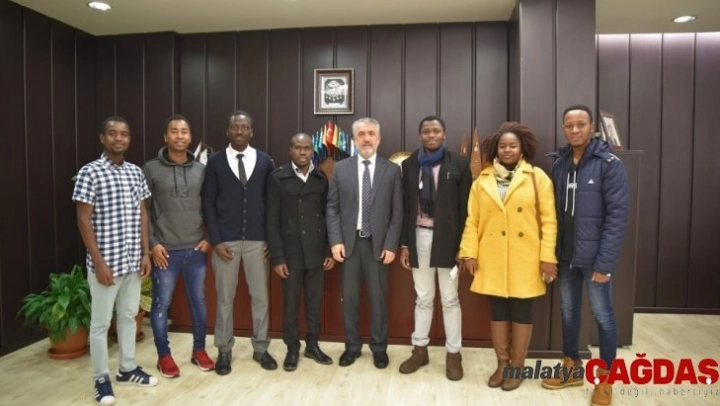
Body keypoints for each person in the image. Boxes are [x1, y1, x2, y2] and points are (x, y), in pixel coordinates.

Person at [460, 121, 558, 391]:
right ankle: (502, 364)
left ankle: (517, 366)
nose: (507, 150)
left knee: (522, 311)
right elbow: (472, 220)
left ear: (522, 148)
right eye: (503, 146)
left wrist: (547, 257)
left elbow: (549, 221)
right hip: (492, 257)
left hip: (526, 258)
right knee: (498, 311)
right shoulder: (482, 180)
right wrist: (469, 252)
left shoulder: (537, 178)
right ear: (495, 149)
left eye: (513, 145)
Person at [542, 105, 629, 406]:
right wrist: (551, 254)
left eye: (581, 124)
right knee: (568, 312)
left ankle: (605, 380)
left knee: (603, 316)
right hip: (565, 257)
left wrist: (605, 263)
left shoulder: (609, 164)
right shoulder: (559, 163)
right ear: (563, 129)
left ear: (592, 128)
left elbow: (617, 218)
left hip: (595, 261)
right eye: (569, 125)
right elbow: (552, 214)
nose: (575, 130)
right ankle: (571, 367)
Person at [73, 116, 159, 406]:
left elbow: (143, 213)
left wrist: (145, 253)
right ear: (102, 138)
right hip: (106, 264)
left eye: (124, 134)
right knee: (100, 325)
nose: (118, 138)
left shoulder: (135, 173)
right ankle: (101, 379)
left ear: (129, 139)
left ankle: (127, 369)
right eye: (112, 133)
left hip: (133, 262)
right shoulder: (90, 172)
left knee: (128, 317)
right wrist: (98, 263)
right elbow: (83, 219)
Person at [202, 110, 277, 375]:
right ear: (228, 131)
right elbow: (208, 202)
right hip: (226, 242)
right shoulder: (215, 161)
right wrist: (216, 240)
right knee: (225, 298)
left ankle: (261, 348)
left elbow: (272, 203)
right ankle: (224, 350)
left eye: (244, 127)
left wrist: (270, 239)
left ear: (251, 132)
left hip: (258, 241)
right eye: (235, 127)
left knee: (261, 297)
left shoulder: (265, 161)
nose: (239, 131)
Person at [397, 116, 472, 381]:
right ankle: (420, 350)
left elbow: (467, 209)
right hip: (419, 237)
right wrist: (405, 245)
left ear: (444, 134)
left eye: (436, 131)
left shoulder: (459, 164)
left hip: (448, 241)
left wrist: (464, 247)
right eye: (426, 131)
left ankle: (454, 354)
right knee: (423, 298)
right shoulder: (410, 164)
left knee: (450, 299)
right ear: (420, 135)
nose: (431, 135)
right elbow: (406, 207)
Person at [326, 117, 403, 369]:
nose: (366, 138)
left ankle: (379, 348)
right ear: (355, 139)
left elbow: (397, 212)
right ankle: (352, 346)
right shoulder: (341, 169)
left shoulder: (391, 170)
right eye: (361, 134)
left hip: (378, 246)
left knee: (378, 300)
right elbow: (333, 208)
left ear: (379, 139)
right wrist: (335, 241)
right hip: (349, 245)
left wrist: (391, 244)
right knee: (349, 299)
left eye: (371, 134)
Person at [143, 115, 215, 378]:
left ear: (190, 136)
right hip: (165, 252)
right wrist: (152, 244)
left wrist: (210, 237)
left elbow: (211, 205)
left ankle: (199, 350)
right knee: (161, 305)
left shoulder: (201, 169)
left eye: (184, 131)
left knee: (198, 302)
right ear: (165, 136)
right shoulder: (150, 169)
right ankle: (164, 356)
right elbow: (143, 211)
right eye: (174, 131)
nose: (180, 136)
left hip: (195, 249)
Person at [266, 133, 335, 372]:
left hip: (316, 251)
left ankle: (312, 345)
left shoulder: (320, 178)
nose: (303, 152)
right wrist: (277, 257)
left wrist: (328, 250)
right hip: (290, 253)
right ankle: (292, 348)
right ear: (290, 151)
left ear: (311, 151)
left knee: (314, 303)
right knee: (291, 305)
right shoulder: (277, 178)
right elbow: (272, 221)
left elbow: (326, 216)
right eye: (298, 147)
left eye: (306, 148)